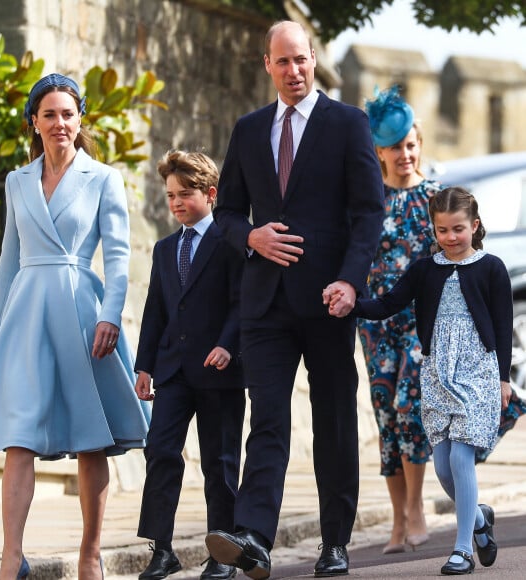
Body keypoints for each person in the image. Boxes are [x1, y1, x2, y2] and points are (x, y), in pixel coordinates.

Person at [205, 20, 385, 579]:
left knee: (332, 423)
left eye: (302, 60)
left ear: (313, 59)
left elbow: (368, 213)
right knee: (269, 422)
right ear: (268, 66)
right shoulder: (249, 129)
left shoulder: (348, 124)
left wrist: (351, 282)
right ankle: (254, 535)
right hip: (265, 303)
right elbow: (228, 212)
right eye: (282, 62)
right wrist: (250, 236)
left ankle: (334, 542)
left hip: (330, 300)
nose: (294, 71)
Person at [0, 73, 151, 580]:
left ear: (80, 119)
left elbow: (117, 255)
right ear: (34, 122)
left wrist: (111, 314)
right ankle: (10, 557)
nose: (60, 123)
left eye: (68, 113)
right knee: (18, 437)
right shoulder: (16, 181)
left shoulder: (103, 178)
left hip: (83, 315)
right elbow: (8, 261)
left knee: (92, 439)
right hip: (25, 316)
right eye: (49, 114)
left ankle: (90, 554)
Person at [331, 186, 511, 575]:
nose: (450, 237)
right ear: (434, 229)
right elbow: (387, 304)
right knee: (444, 468)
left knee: (462, 457)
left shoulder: (492, 267)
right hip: (436, 373)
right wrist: (351, 304)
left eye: (458, 229)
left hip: (478, 370)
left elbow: (501, 324)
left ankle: (462, 549)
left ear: (474, 226)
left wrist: (503, 381)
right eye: (442, 230)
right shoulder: (424, 269)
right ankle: (478, 519)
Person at [134, 150, 245, 580]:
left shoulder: (231, 242)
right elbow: (155, 311)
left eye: (185, 194)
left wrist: (227, 346)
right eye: (170, 196)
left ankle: (223, 552)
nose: (176, 202)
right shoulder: (164, 249)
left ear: (210, 194)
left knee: (220, 463)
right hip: (173, 372)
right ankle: (161, 550)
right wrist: (145, 366)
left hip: (219, 371)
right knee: (160, 451)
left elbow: (242, 303)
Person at [359, 85, 439, 554]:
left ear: (419, 146)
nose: (404, 154)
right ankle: (395, 521)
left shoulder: (436, 198)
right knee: (387, 416)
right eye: (395, 146)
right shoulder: (367, 202)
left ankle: (417, 508)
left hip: (420, 322)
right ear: (379, 151)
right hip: (375, 325)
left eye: (411, 144)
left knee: (411, 409)